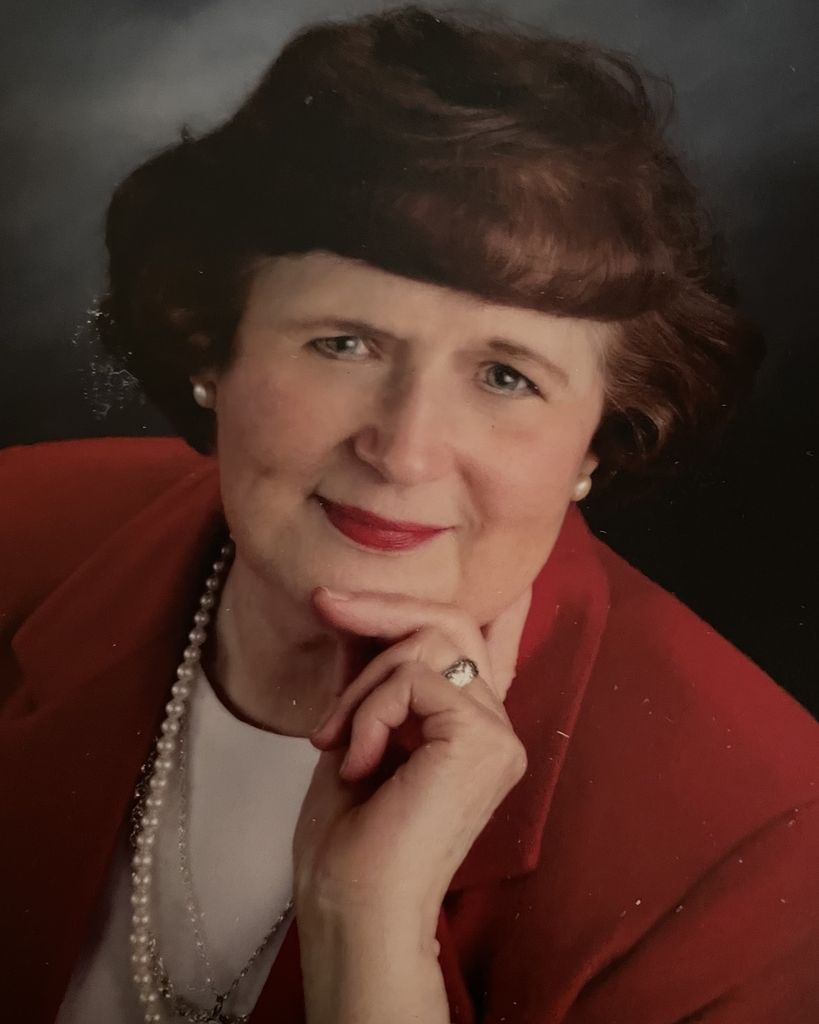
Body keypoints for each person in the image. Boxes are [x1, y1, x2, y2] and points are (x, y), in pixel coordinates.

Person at [2, 5, 817, 1023]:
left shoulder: (754, 841)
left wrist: (369, 933)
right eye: (344, 344)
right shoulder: (18, 528)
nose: (405, 449)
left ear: (596, 444)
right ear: (210, 347)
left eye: (507, 376)